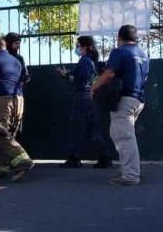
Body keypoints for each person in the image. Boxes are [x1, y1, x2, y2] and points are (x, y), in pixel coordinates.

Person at [92, 25, 150, 186]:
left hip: (124, 99)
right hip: (138, 99)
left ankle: (130, 175)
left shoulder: (120, 52)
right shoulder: (143, 54)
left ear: (119, 38)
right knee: (119, 134)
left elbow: (109, 74)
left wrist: (94, 87)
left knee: (124, 137)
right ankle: (127, 169)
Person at [0, 36, 34, 181]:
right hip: (18, 100)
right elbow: (24, 78)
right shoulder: (16, 60)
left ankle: (23, 160)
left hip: (2, 100)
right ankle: (0, 170)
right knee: (8, 132)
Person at [56, 36, 112, 168]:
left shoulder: (85, 61)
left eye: (78, 46)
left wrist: (65, 75)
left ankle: (75, 158)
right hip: (90, 97)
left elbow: (81, 80)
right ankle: (104, 156)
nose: (77, 48)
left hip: (83, 97)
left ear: (85, 47)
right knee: (93, 128)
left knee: (79, 127)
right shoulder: (91, 61)